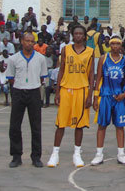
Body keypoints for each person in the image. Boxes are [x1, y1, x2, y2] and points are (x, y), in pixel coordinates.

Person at [47, 25, 95, 168]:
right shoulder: (66, 50)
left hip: (82, 89)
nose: (78, 36)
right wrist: (57, 91)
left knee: (79, 125)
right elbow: (61, 70)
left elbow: (91, 74)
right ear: (73, 35)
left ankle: (77, 154)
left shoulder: (90, 52)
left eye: (81, 33)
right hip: (66, 89)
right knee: (61, 123)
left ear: (85, 36)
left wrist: (90, 95)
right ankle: (55, 154)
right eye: (76, 33)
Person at [7, 32, 48, 168]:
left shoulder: (40, 58)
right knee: (15, 126)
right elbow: (11, 78)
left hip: (34, 92)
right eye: (27, 41)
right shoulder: (13, 59)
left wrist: (31, 84)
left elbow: (42, 78)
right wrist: (20, 86)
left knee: (36, 126)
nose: (29, 43)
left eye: (32, 41)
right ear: (21, 41)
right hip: (18, 92)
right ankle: (16, 156)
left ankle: (36, 157)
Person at [91, 36, 125, 166]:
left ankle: (121, 154)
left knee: (120, 126)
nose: (115, 46)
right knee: (102, 125)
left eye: (117, 44)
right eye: (112, 44)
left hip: (119, 96)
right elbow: (98, 78)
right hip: (106, 95)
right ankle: (99, 154)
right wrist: (95, 96)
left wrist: (124, 94)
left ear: (120, 46)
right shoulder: (103, 58)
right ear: (109, 45)